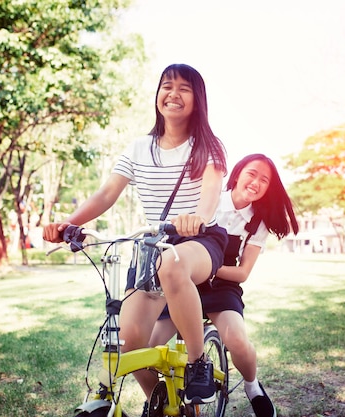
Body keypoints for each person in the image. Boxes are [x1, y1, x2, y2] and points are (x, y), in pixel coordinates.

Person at [43, 64, 228, 405]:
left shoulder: (209, 147)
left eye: (183, 88)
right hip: (152, 245)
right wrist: (66, 223)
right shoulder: (139, 148)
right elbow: (106, 195)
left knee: (172, 266)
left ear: (198, 99)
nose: (173, 93)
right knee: (127, 346)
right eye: (166, 86)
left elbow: (210, 197)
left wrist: (196, 218)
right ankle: (158, 403)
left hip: (198, 241)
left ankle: (198, 361)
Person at [141, 153, 299, 417]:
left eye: (264, 180)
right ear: (237, 174)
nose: (256, 182)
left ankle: (252, 387)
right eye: (252, 173)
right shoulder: (207, 199)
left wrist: (210, 268)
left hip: (221, 287)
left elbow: (243, 272)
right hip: (183, 280)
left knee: (237, 339)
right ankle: (161, 401)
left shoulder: (257, 223)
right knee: (148, 348)